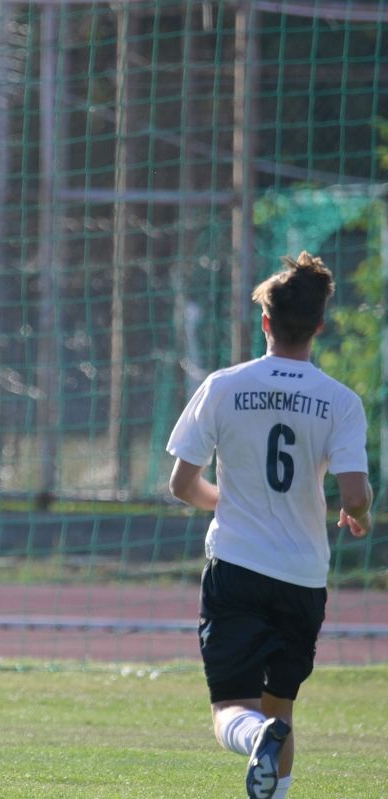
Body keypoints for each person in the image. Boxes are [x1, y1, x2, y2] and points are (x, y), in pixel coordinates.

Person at [166, 251, 373, 799]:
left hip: (236, 568)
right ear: (320, 327)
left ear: (265, 322)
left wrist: (222, 503)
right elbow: (355, 493)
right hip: (303, 578)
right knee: (281, 706)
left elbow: (182, 484)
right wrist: (360, 511)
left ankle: (256, 734)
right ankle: (270, 753)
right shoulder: (341, 402)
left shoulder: (223, 385)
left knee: (233, 712)